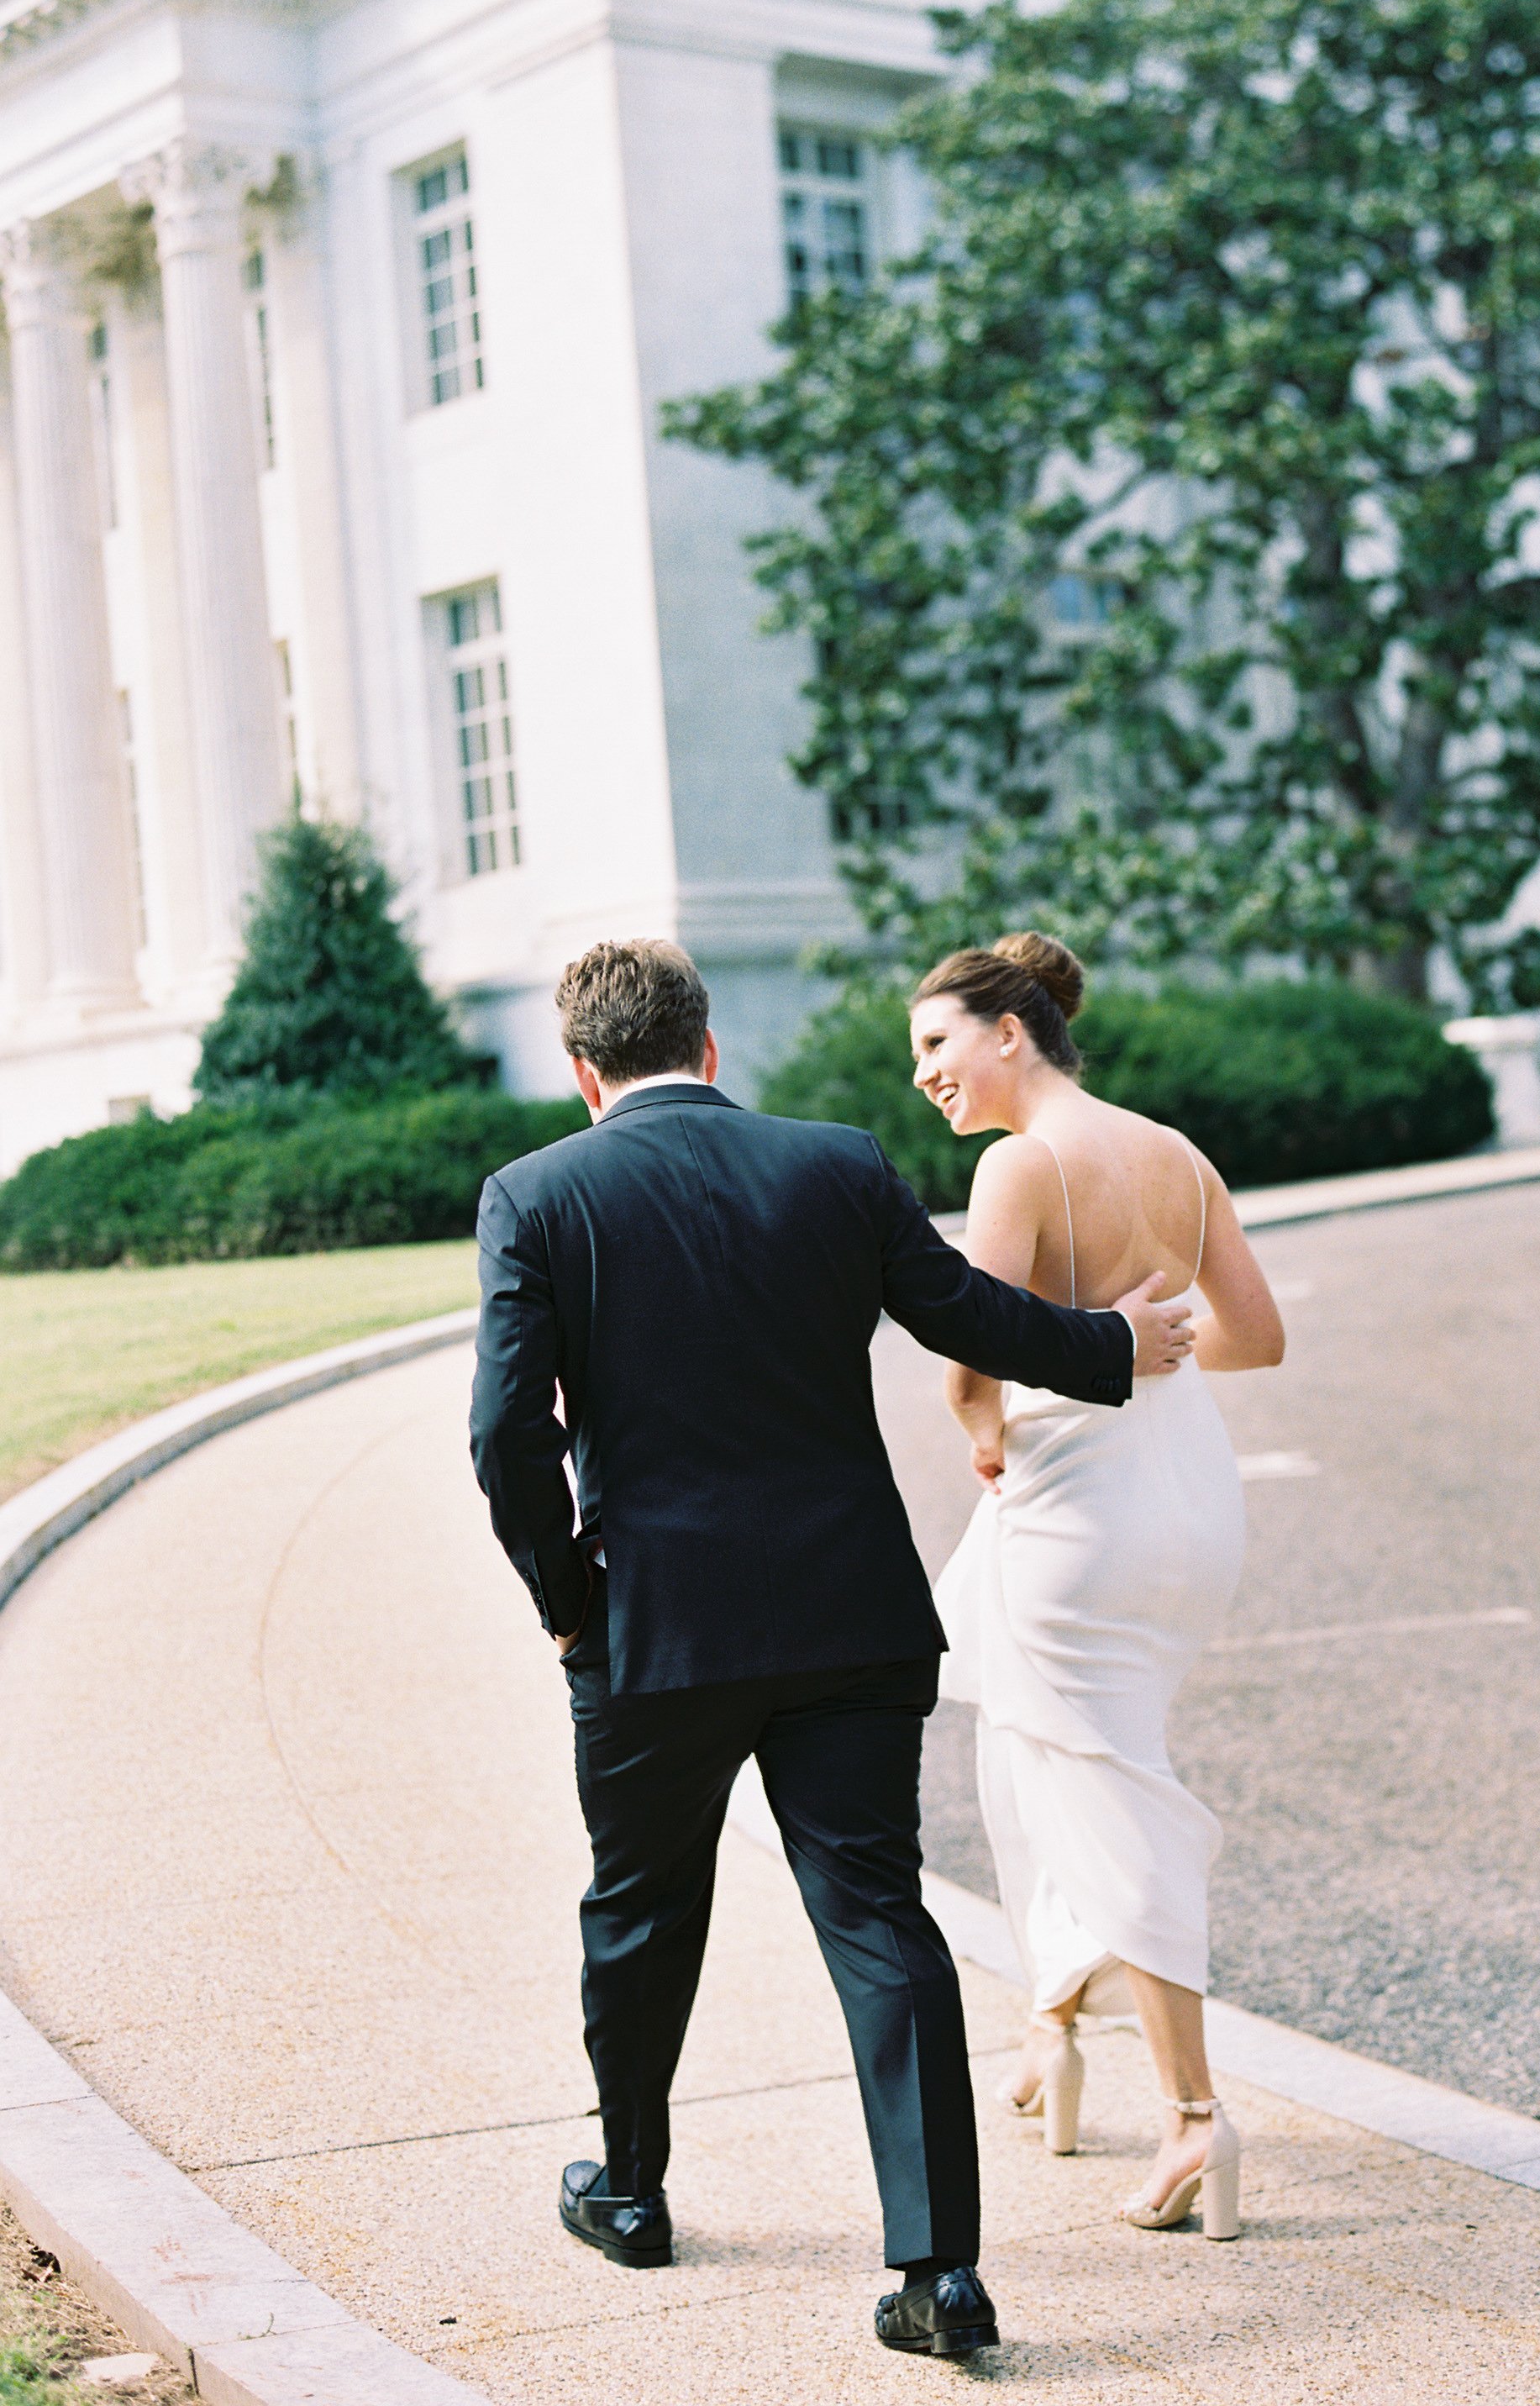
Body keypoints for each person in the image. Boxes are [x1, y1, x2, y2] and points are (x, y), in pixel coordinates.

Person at [467, 938, 1198, 2361]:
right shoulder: (837, 1163)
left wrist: (568, 1601)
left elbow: (507, 1436)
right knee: (879, 1919)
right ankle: (938, 2274)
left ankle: (628, 2191)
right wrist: (1111, 1349)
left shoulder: (536, 1195)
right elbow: (968, 1318)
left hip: (651, 1633)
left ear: (581, 1072)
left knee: (637, 1911)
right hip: (849, 1619)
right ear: (710, 1046)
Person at [913, 934, 1285, 2240]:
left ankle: (1193, 2118)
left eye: (937, 1045)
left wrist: (985, 1431)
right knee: (1042, 1744)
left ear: (1008, 1033)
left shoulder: (1019, 1163)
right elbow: (1257, 1337)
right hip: (1187, 1497)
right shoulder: (1174, 1153)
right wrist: (1153, 1343)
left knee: (1105, 1780)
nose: (924, 1077)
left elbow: (971, 1351)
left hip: (1076, 1510)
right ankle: (1052, 2021)